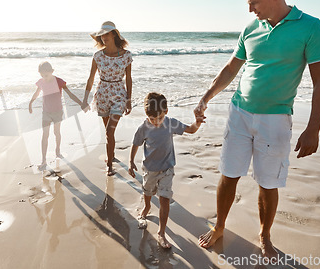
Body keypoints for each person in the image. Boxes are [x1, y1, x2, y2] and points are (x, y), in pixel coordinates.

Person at [195, 0, 320, 259]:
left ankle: (264, 235)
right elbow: (232, 68)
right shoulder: (251, 27)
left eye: (254, 2)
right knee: (228, 174)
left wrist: (313, 128)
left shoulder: (310, 27)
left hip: (276, 119)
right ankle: (219, 226)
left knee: (268, 182)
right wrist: (206, 97)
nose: (250, 8)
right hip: (239, 113)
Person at [129, 92, 204, 249]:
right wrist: (130, 162)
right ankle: (147, 206)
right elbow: (136, 143)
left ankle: (161, 233)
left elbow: (190, 130)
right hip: (149, 169)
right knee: (148, 191)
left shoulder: (170, 123)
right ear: (147, 115)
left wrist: (197, 123)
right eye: (152, 119)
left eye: (160, 118)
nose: (156, 122)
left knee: (164, 199)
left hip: (167, 169)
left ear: (166, 112)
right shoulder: (143, 128)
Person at [83, 21, 133, 176]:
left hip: (119, 93)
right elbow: (91, 78)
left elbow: (129, 79)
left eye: (106, 34)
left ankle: (109, 165)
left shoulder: (126, 55)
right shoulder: (98, 56)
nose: (103, 37)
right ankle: (111, 153)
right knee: (108, 133)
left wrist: (129, 100)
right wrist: (85, 99)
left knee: (109, 130)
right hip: (102, 93)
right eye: (101, 35)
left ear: (113, 34)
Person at [29, 61, 86, 170]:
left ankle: (58, 151)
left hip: (57, 112)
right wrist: (31, 103)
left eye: (45, 75)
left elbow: (69, 94)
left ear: (52, 71)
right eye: (41, 75)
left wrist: (81, 103)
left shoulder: (59, 82)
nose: (44, 77)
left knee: (56, 132)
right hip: (46, 112)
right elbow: (36, 93)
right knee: (45, 135)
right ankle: (43, 160)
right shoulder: (41, 82)